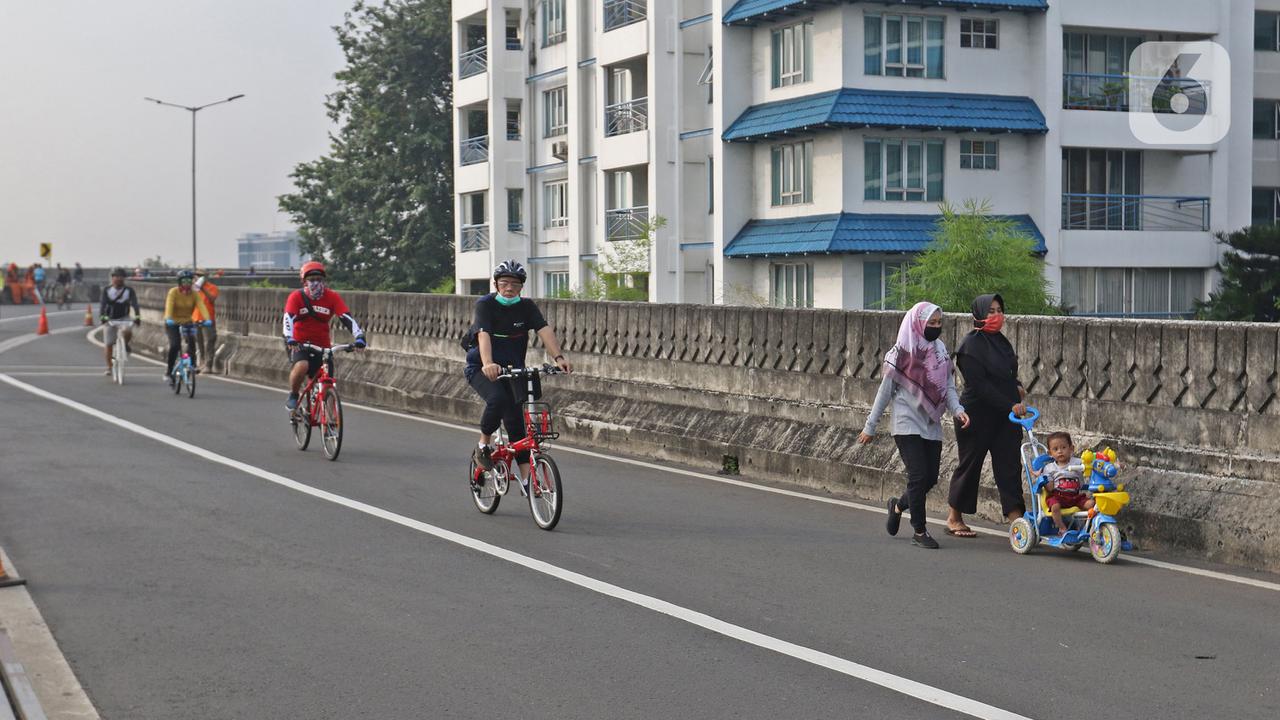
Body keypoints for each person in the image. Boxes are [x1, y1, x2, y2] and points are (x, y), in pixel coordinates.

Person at [859, 302, 970, 549]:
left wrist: (958, 410)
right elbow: (884, 393)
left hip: (931, 422)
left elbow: (948, 388)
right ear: (917, 323)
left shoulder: (941, 352)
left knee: (929, 478)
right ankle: (919, 531)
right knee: (918, 475)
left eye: (939, 323)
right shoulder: (901, 352)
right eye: (931, 323)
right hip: (905, 422)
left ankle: (897, 506)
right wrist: (870, 426)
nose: (935, 327)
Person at [466, 260, 571, 482]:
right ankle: (483, 445)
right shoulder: (485, 304)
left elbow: (543, 330)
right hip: (482, 368)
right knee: (497, 400)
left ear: (521, 287)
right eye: (504, 282)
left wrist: (559, 358)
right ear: (496, 285)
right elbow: (483, 334)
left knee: (518, 426)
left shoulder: (526, 306)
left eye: (515, 283)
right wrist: (487, 363)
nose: (509, 287)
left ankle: (527, 481)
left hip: (515, 370)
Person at [946, 293, 1028, 537]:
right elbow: (980, 386)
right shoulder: (969, 347)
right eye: (990, 311)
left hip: (1005, 417)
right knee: (971, 465)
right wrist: (1010, 404)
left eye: (999, 310)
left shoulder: (1002, 343)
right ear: (979, 314)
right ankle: (954, 517)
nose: (996, 315)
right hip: (976, 415)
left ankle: (1016, 519)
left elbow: (1007, 375)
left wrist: (1018, 387)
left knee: (1009, 465)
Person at [282, 261, 366, 410]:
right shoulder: (296, 297)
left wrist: (359, 336)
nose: (316, 283)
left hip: (322, 345)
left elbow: (346, 317)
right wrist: (290, 337)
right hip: (299, 343)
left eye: (319, 280)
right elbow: (288, 318)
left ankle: (330, 420)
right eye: (312, 280)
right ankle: (294, 394)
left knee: (327, 383)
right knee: (302, 366)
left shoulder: (332, 297)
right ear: (304, 282)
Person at [1037, 431, 1095, 533]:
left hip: (1076, 497)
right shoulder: (1049, 468)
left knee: (1092, 504)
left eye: (1063, 447)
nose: (1060, 451)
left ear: (1071, 448)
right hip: (1058, 496)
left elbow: (1092, 463)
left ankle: (1091, 527)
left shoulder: (1077, 462)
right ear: (1050, 453)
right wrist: (1042, 476)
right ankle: (1062, 527)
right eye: (1055, 449)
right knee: (1055, 507)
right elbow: (1050, 488)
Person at [163, 270, 212, 386]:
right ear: (179, 282)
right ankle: (169, 371)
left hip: (187, 321)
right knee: (175, 345)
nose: (187, 284)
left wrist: (207, 319)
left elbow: (201, 306)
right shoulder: (173, 292)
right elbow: (169, 306)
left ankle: (193, 365)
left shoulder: (194, 294)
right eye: (184, 281)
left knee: (191, 341)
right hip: (172, 322)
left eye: (189, 281)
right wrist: (169, 318)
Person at [100, 268, 141, 375]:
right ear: (112, 278)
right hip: (110, 318)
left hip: (124, 317)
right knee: (108, 343)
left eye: (121, 277)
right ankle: (109, 367)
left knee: (128, 331)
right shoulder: (107, 290)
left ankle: (125, 344)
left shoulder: (129, 291)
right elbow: (103, 305)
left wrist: (137, 316)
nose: (118, 279)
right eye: (116, 277)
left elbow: (135, 304)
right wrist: (103, 317)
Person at [192, 269, 220, 371]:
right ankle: (202, 362)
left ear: (206, 277)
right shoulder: (193, 288)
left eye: (201, 276)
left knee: (210, 341)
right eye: (197, 275)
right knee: (199, 343)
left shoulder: (212, 287)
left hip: (208, 319)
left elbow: (212, 299)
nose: (199, 277)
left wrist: (202, 287)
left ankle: (208, 365)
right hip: (196, 318)